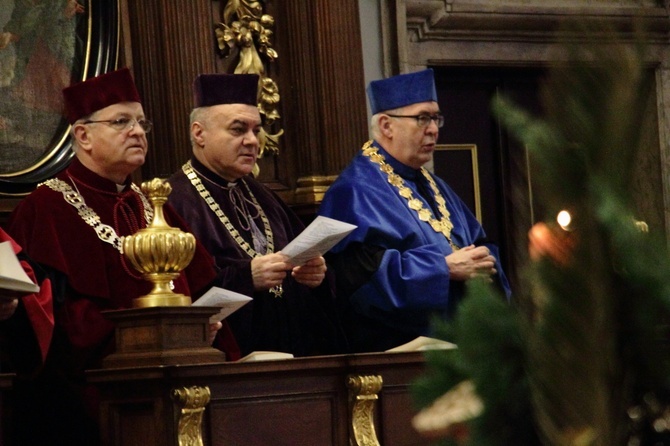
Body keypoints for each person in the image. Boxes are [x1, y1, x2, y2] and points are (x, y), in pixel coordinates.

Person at [2, 68, 239, 445]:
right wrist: (154, 336)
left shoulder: (150, 202)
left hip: (182, 381)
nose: (138, 132)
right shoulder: (45, 209)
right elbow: (57, 326)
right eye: (121, 121)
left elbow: (201, 288)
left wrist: (200, 327)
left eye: (142, 122)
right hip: (97, 397)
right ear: (83, 135)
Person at [318, 68, 512, 353]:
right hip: (397, 359)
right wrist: (442, 269)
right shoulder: (355, 191)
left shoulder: (436, 186)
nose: (433, 128)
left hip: (462, 346)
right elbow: (360, 282)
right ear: (386, 125)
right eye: (422, 118)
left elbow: (480, 244)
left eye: (436, 118)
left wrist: (482, 266)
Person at [168, 73, 346, 357]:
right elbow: (179, 293)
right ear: (199, 133)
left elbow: (306, 275)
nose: (253, 141)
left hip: (293, 355)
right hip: (229, 365)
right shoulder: (174, 202)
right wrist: (245, 277)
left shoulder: (263, 196)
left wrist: (317, 277)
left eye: (256, 130)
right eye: (238, 130)